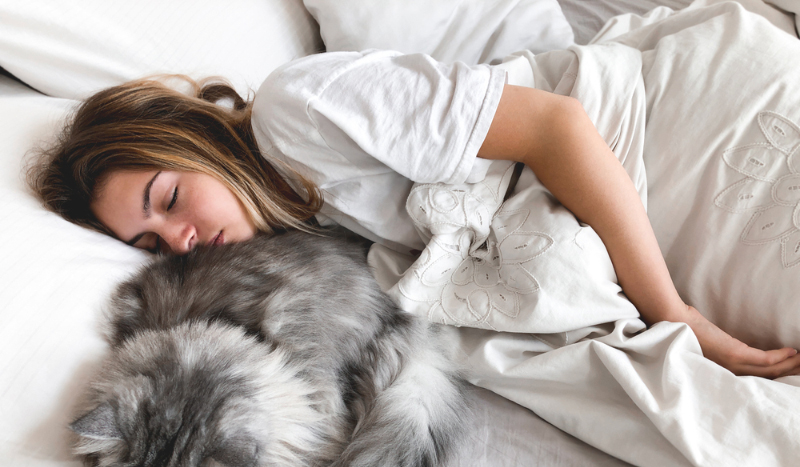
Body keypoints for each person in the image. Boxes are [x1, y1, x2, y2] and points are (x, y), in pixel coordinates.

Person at [29, 52, 800, 379]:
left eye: (167, 200)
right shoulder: (299, 229)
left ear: (197, 142)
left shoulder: (297, 114)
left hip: (644, 124)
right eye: (153, 244)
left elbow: (556, 125)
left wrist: (671, 313)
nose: (181, 239)